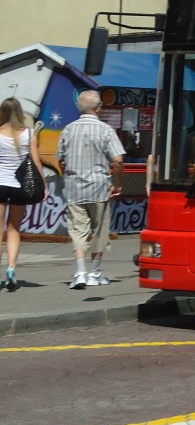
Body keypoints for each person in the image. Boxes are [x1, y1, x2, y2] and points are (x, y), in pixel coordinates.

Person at [57, 90, 125, 290]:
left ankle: (79, 272)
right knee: (100, 230)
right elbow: (118, 160)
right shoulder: (105, 130)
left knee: (78, 231)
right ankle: (95, 272)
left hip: (74, 187)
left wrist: (67, 174)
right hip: (99, 187)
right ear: (97, 108)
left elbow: (60, 159)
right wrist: (118, 183)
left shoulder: (69, 129)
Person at [0, 98, 45, 291]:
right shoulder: (29, 134)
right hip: (20, 187)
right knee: (13, 229)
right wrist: (43, 185)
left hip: (0, 184)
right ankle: (11, 268)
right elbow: (35, 163)